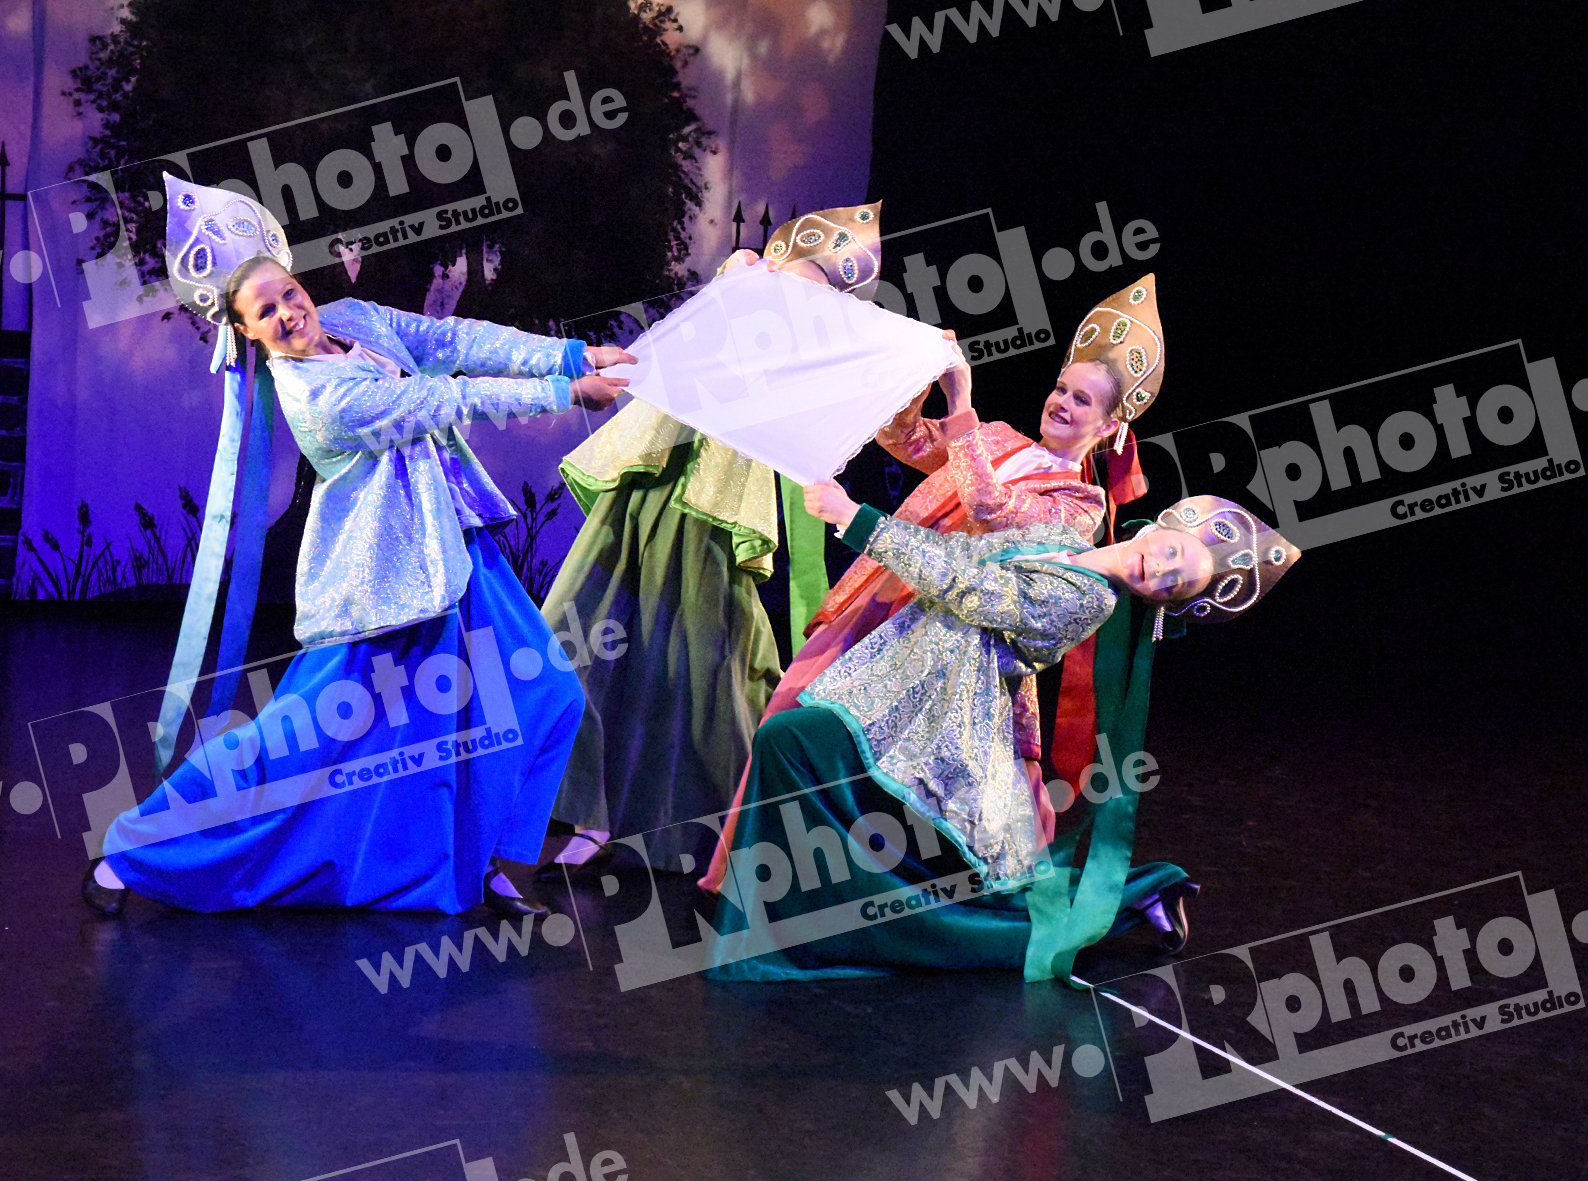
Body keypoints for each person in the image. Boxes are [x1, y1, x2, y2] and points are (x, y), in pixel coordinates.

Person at [82, 176, 628, 918]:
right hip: (377, 586)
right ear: (246, 332)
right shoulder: (318, 396)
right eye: (266, 312)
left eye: (287, 294)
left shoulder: (354, 317)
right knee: (296, 743)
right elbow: (442, 397)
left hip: (455, 551)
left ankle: (488, 860)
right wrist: (564, 394)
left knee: (546, 692)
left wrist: (569, 356)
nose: (288, 313)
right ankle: (137, 853)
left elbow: (453, 342)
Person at [703, 483, 1299, 983]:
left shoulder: (1090, 600)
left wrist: (859, 520)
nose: (1162, 570)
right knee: (801, 754)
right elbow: (962, 550)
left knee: (797, 748)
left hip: (942, 718)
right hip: (904, 686)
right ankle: (800, 922)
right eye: (1172, 553)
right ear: (1158, 529)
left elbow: (975, 589)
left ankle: (802, 931)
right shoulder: (1065, 540)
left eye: (1176, 584)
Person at [699, 275, 1166, 892]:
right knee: (793, 719)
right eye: (1061, 388)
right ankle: (743, 878)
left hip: (961, 642)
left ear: (1108, 428)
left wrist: (962, 395)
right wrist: (920, 374)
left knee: (931, 793)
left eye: (1082, 401)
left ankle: (873, 898)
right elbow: (905, 438)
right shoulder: (997, 437)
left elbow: (989, 508)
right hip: (887, 599)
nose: (1062, 403)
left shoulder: (1080, 505)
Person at [540, 203, 942, 876]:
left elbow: (864, 396)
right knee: (577, 633)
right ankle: (590, 813)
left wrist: (934, 358)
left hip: (722, 511)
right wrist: (754, 276)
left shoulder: (810, 359)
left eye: (818, 299)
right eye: (797, 282)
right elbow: (716, 314)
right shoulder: (744, 282)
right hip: (652, 478)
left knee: (705, 666)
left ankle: (737, 831)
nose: (799, 302)